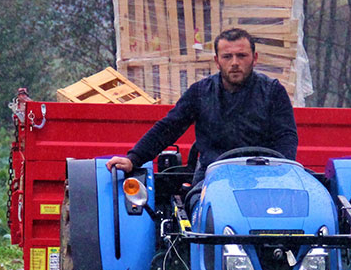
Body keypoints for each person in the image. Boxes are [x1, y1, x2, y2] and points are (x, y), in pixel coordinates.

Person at [105, 28, 298, 181]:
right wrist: (133, 159)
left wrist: (280, 173)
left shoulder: (273, 91)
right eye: (227, 56)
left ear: (254, 59)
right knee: (196, 207)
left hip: (263, 177)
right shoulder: (199, 92)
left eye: (241, 56)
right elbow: (168, 128)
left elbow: (286, 136)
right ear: (217, 61)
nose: (235, 63)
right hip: (211, 179)